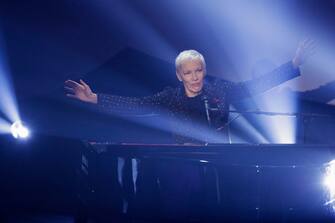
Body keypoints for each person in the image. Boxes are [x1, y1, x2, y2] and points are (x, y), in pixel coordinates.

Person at [64, 40, 314, 144]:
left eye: (198, 71)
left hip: (220, 161)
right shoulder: (170, 97)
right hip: (184, 165)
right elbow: (136, 105)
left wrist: (292, 66)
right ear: (179, 75)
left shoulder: (220, 91)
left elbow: (255, 86)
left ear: (204, 71)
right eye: (188, 73)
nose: (194, 78)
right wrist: (94, 98)